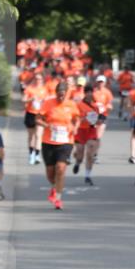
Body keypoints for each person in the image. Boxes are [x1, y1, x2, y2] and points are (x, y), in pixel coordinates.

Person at [36, 79, 81, 210]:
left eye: (63, 94)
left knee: (60, 168)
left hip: (66, 141)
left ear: (66, 93)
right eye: (59, 94)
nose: (61, 97)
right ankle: (55, 187)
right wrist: (47, 125)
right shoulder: (48, 103)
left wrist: (76, 127)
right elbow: (37, 119)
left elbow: (77, 119)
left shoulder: (71, 104)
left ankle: (58, 199)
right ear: (55, 93)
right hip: (48, 141)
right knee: (50, 173)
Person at [72, 82, 100, 186]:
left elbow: (97, 120)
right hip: (80, 131)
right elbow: (75, 118)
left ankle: (88, 176)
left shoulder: (95, 106)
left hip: (91, 131)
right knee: (80, 154)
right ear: (85, 93)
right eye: (87, 92)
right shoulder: (79, 105)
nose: (89, 94)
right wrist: (83, 119)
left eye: (91, 92)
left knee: (90, 153)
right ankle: (77, 163)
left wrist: (99, 121)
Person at [23, 70, 47, 164]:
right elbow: (24, 100)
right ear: (34, 79)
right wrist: (30, 99)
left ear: (42, 79)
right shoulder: (29, 89)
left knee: (38, 135)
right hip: (30, 113)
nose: (38, 81)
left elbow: (47, 102)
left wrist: (44, 101)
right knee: (31, 136)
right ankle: (31, 154)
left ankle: (37, 155)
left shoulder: (45, 90)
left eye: (40, 79)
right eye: (36, 79)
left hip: (40, 114)